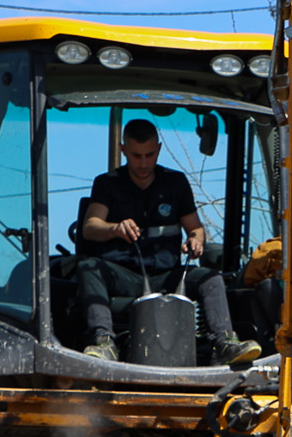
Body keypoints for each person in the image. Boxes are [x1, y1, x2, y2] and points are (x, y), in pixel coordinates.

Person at [73, 119, 261, 365]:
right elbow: (90, 227)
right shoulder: (107, 184)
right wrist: (115, 228)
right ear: (123, 150)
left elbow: (196, 229)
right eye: (136, 155)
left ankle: (224, 342)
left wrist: (195, 240)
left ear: (159, 149)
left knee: (210, 279)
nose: (143, 163)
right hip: (123, 276)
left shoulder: (175, 183)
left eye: (149, 155)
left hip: (168, 276)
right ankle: (103, 342)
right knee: (87, 268)